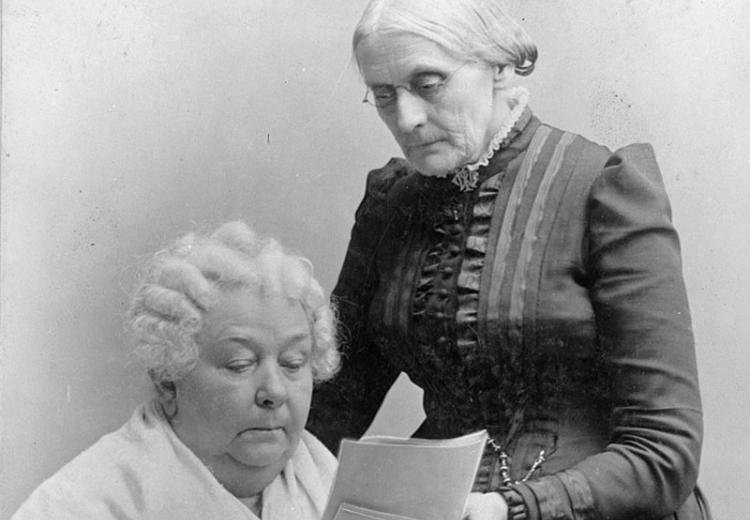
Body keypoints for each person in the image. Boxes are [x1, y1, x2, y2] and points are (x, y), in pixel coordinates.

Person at [307, 1, 710, 519]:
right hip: (439, 507)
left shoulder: (601, 190)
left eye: (428, 84)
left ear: (497, 65)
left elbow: (666, 448)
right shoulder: (391, 207)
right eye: (384, 95)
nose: (406, 118)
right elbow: (334, 407)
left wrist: (513, 507)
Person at [13, 221, 340, 520]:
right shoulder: (84, 504)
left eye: (293, 363)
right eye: (239, 364)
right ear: (168, 382)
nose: (275, 391)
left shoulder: (328, 479)